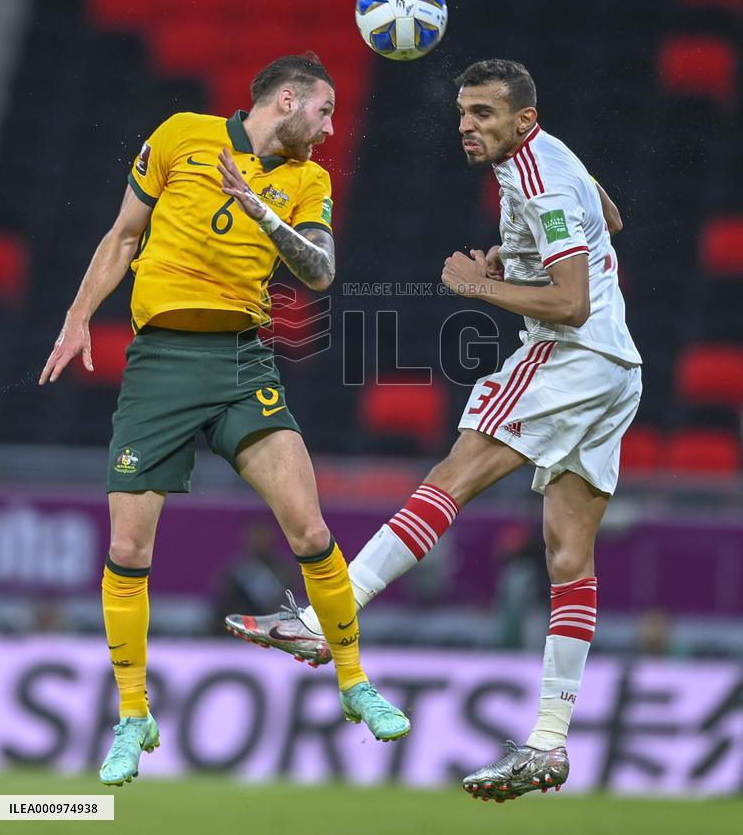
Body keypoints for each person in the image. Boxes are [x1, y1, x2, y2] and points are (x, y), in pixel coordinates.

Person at [226, 59, 642, 803]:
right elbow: (608, 219)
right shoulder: (551, 157)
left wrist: (479, 284)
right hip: (618, 373)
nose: (465, 126)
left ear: (520, 119)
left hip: (573, 356)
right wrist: (515, 262)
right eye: (461, 113)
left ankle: (328, 620)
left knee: (448, 479)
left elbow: (573, 302)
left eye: (483, 113)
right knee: (566, 555)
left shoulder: (538, 178)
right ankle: (548, 743)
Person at [38, 53, 410, 787]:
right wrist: (78, 316)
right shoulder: (180, 135)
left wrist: (261, 211)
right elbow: (121, 236)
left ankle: (353, 681)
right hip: (161, 364)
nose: (331, 130)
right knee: (128, 548)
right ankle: (133, 715)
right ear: (286, 100)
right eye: (323, 113)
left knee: (307, 527)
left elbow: (320, 272)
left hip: (243, 362)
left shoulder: (307, 181)